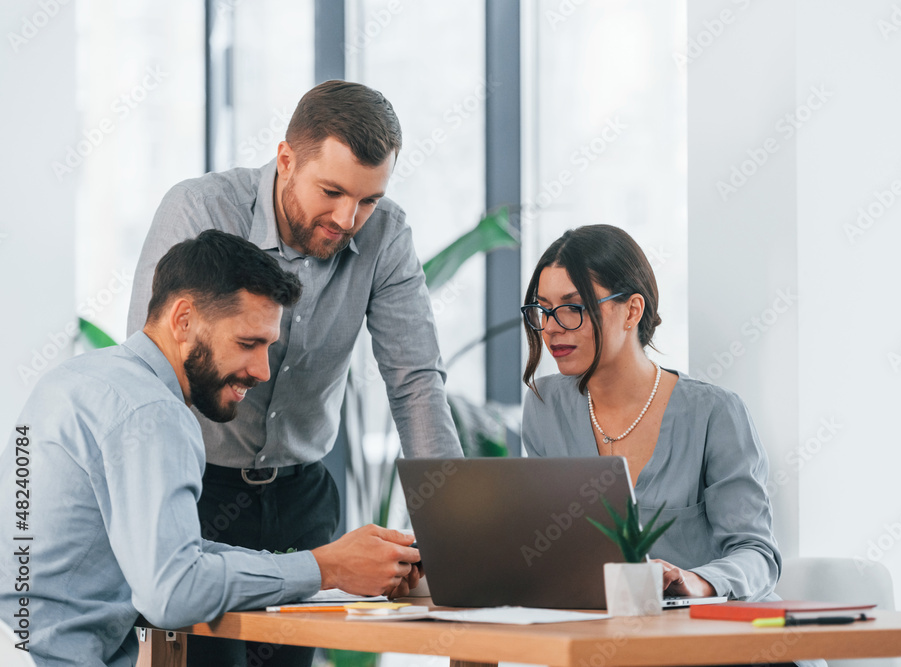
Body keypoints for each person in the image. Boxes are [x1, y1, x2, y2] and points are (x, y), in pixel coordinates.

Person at [125, 81, 461, 665]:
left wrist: (457, 533)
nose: (347, 218)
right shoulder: (202, 211)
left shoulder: (386, 236)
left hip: (303, 497)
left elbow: (414, 381)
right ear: (286, 160)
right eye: (331, 192)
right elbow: (154, 372)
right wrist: (158, 514)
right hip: (198, 490)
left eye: (368, 200)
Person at [0, 231, 421, 667]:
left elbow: (178, 555)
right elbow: (175, 592)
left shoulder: (76, 380)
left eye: (268, 347)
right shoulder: (152, 411)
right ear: (183, 320)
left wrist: (326, 567)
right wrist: (325, 567)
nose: (261, 370)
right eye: (247, 344)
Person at [519, 224, 781, 601]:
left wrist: (695, 581)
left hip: (720, 641)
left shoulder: (714, 413)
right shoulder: (545, 406)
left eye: (572, 308)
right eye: (542, 310)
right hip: (613, 640)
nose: (551, 328)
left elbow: (758, 555)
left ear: (632, 310)